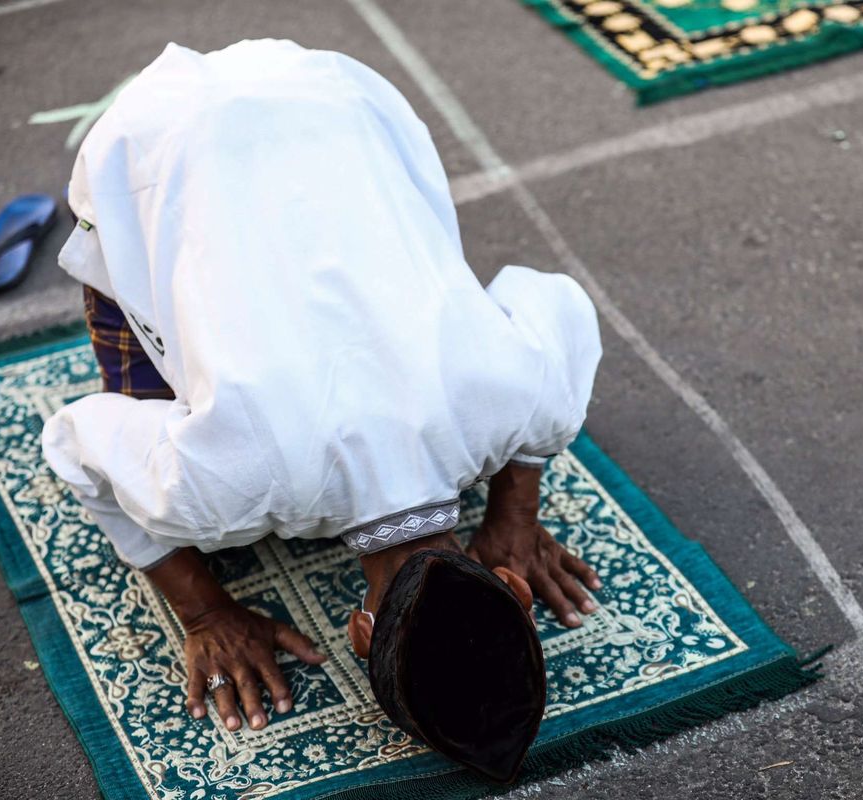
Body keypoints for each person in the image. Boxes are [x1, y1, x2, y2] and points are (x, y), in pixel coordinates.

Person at [41, 39, 603, 783]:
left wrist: (514, 510)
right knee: (150, 381)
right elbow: (73, 442)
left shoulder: (513, 402)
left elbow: (554, 302)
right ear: (360, 632)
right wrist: (204, 610)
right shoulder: (220, 491)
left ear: (514, 585)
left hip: (336, 94)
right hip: (150, 142)